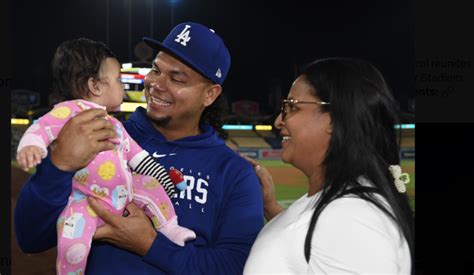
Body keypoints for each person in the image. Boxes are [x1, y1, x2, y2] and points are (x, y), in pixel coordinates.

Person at [14, 22, 264, 274]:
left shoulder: (235, 173)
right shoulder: (98, 135)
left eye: (176, 78)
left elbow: (232, 267)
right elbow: (31, 238)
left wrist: (149, 245)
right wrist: (59, 166)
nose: (157, 83)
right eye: (156, 70)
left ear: (210, 94)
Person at [15, 38, 195, 274]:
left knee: (149, 184)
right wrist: (31, 146)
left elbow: (139, 159)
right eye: (119, 80)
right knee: (73, 237)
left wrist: (162, 178)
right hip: (87, 200)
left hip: (125, 193)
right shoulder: (68, 112)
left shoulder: (115, 124)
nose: (123, 87)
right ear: (96, 86)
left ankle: (170, 228)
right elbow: (42, 128)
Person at [243, 58, 414, 274]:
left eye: (291, 107)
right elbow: (310, 243)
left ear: (334, 119)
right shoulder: (339, 209)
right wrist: (270, 206)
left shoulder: (352, 220)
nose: (278, 121)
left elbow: (337, 234)